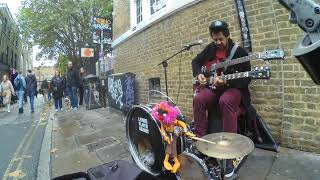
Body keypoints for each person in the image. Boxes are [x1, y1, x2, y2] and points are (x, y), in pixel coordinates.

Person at [191, 20, 251, 178]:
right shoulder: (210, 48)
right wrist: (199, 74)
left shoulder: (239, 53)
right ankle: (200, 141)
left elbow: (246, 79)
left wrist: (228, 81)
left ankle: (229, 153)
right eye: (215, 39)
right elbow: (195, 62)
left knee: (226, 101)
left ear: (227, 36)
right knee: (198, 98)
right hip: (213, 89)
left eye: (220, 39)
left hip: (233, 89)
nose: (218, 42)